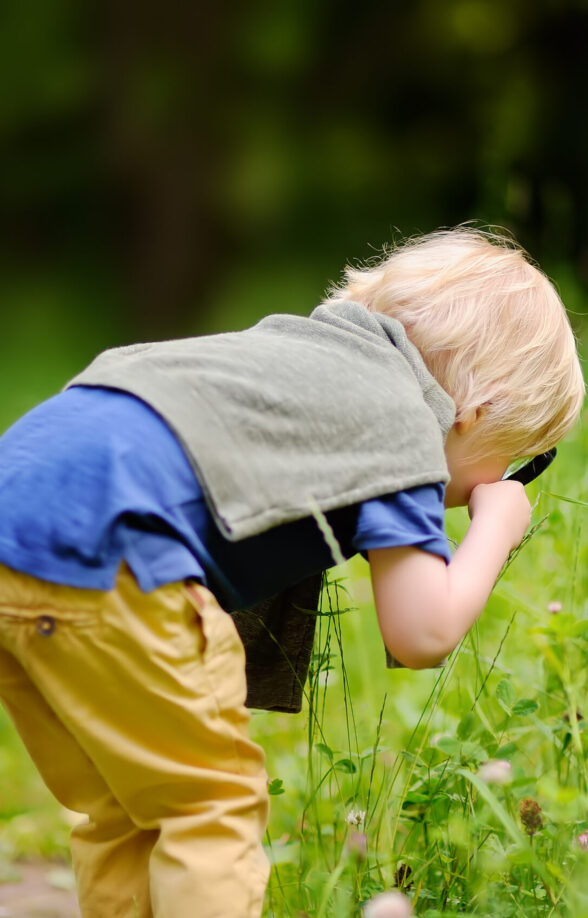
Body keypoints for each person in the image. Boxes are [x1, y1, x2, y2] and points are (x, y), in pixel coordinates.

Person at [0, 228, 583, 918]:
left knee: (130, 807)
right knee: (209, 802)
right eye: (511, 459)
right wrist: (495, 525)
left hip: (19, 526)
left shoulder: (304, 360)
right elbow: (421, 632)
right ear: (476, 413)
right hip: (111, 551)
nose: (488, 485)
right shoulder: (399, 417)